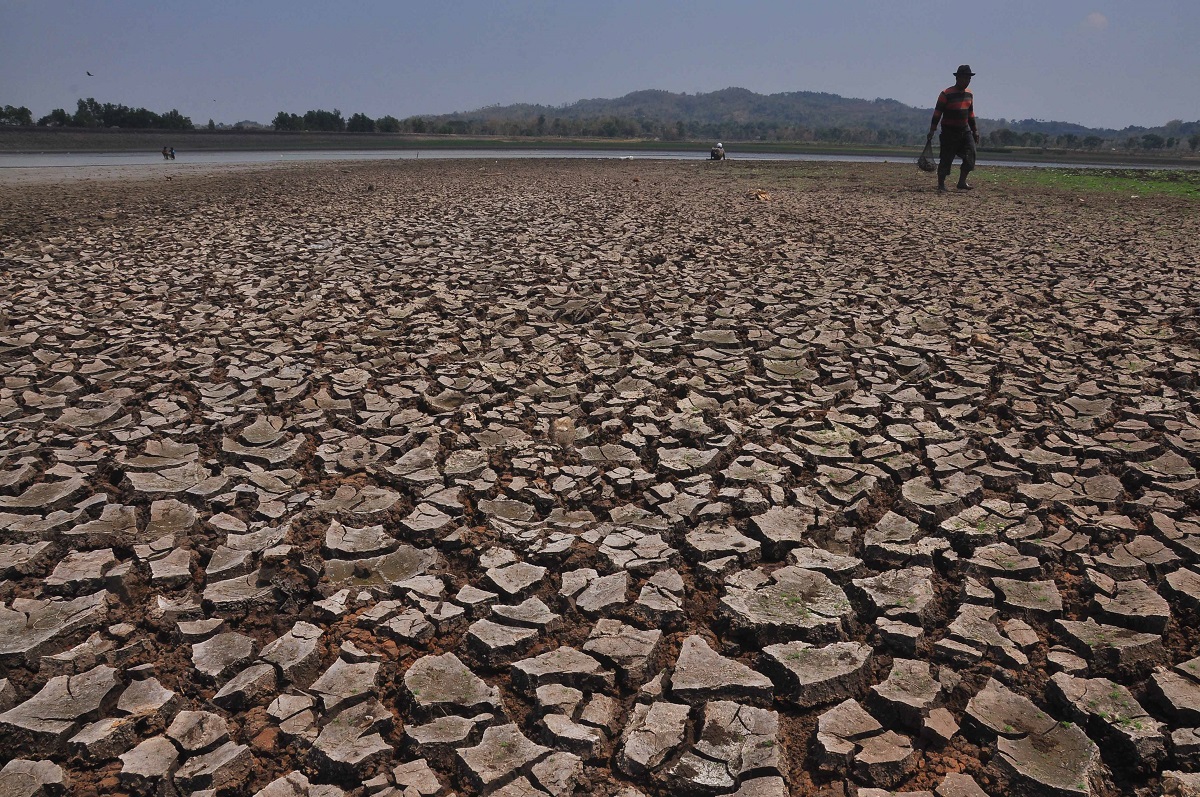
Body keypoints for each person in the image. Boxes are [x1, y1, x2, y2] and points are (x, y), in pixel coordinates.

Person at [928, 65, 979, 192]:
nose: (967, 81)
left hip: (965, 130)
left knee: (971, 154)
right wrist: (932, 130)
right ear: (957, 78)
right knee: (946, 157)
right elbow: (937, 113)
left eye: (969, 78)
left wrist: (975, 130)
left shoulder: (969, 94)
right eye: (965, 78)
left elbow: (971, 114)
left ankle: (962, 182)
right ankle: (941, 184)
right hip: (949, 131)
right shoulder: (946, 94)